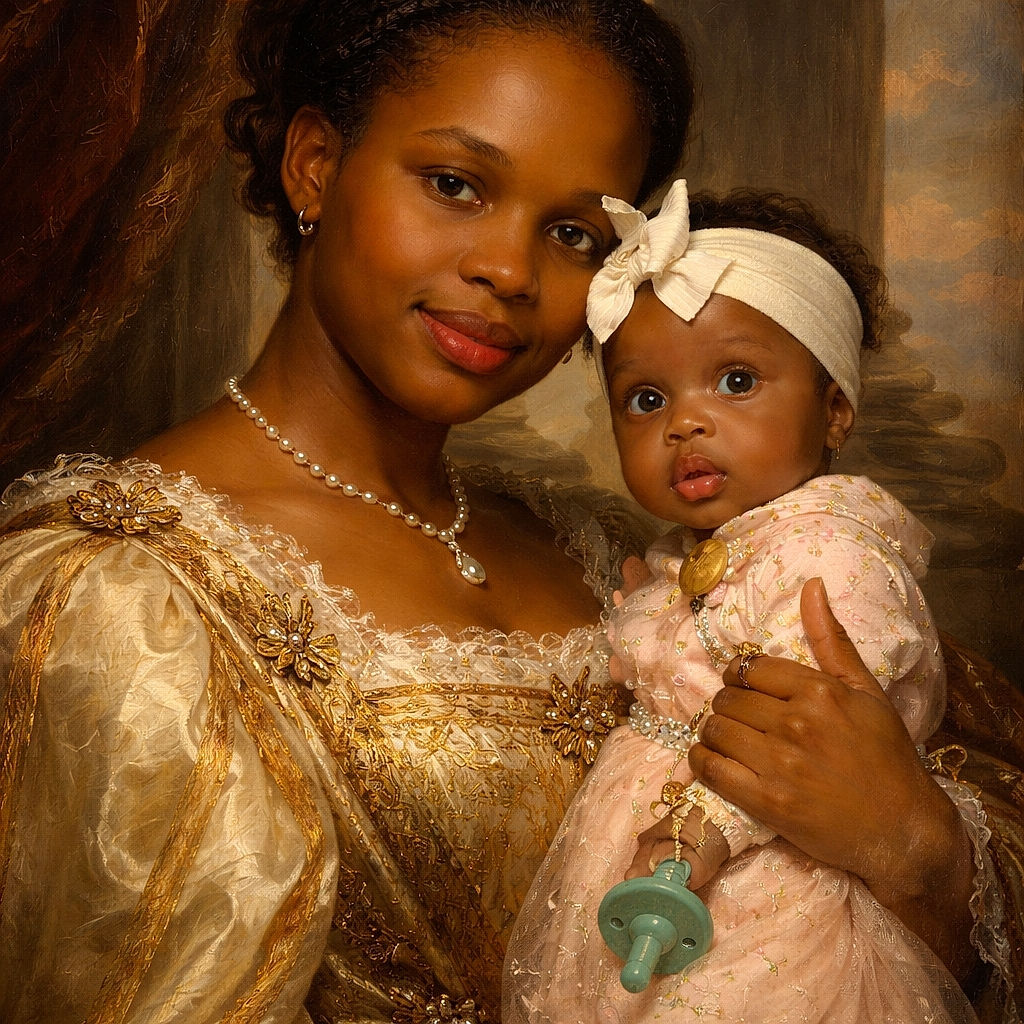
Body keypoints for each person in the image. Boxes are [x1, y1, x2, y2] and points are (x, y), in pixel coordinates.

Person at [0, 2, 1014, 1022]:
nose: (510, 271)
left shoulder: (628, 554)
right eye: (455, 185)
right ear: (314, 164)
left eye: (573, 234)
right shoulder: (121, 593)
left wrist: (910, 843)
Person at [503, 180, 980, 1022]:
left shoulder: (828, 553)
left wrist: (697, 831)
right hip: (658, 873)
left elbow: (795, 727)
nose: (685, 423)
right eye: (647, 400)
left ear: (835, 410)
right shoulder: (700, 554)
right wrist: (652, 623)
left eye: (735, 380)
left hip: (761, 886)